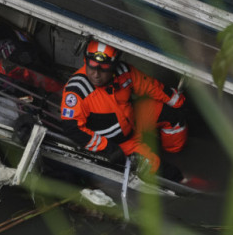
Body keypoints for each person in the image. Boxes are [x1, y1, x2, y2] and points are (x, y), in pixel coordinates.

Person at [59, 40, 187, 181]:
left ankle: (175, 154)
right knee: (164, 172)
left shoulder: (123, 72)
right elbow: (72, 128)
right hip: (119, 143)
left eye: (104, 69)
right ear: (85, 61)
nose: (96, 74)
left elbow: (148, 85)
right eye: (92, 67)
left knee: (172, 113)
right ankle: (181, 180)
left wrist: (177, 101)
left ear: (113, 67)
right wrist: (109, 149)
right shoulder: (77, 90)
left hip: (133, 120)